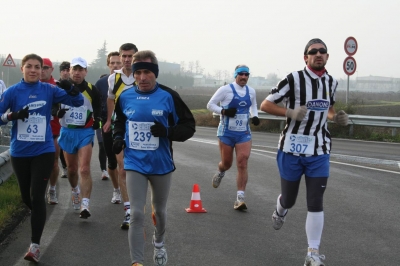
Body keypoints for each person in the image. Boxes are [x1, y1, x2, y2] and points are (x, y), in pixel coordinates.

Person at [260, 38, 349, 266]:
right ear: (305, 57)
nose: (318, 54)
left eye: (322, 51)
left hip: (319, 149)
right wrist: (290, 112)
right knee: (289, 199)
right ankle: (280, 210)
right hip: (291, 148)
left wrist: (335, 117)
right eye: (313, 51)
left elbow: (328, 108)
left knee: (315, 201)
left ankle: (312, 252)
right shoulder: (293, 79)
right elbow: (265, 105)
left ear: (327, 57)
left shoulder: (331, 82)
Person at [113, 50, 195, 266]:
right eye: (138, 72)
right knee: (137, 213)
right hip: (134, 162)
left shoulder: (169, 97)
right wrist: (118, 137)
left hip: (161, 164)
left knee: (158, 210)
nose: (142, 77)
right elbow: (118, 122)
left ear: (155, 73)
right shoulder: (125, 96)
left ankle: (159, 243)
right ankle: (137, 262)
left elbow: (189, 127)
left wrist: (167, 132)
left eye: (147, 72)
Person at [0, 54, 83, 263]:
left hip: (44, 150)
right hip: (19, 152)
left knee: (37, 196)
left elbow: (78, 101)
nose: (34, 70)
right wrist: (11, 116)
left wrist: (70, 87)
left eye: (38, 67)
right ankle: (39, 216)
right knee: (27, 198)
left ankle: (35, 245)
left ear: (43, 70)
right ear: (22, 69)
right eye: (29, 66)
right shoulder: (12, 92)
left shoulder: (50, 90)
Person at [206, 64, 260, 210]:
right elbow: (210, 105)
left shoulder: (251, 91)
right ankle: (221, 171)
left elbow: (253, 105)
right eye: (241, 74)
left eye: (246, 75)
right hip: (226, 133)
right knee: (227, 163)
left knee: (242, 162)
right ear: (235, 75)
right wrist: (223, 111)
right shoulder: (226, 90)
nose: (243, 77)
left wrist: (254, 116)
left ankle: (240, 198)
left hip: (244, 133)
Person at [57, 56, 102, 219]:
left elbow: (99, 107)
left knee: (84, 168)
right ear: (69, 71)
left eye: (80, 70)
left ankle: (85, 204)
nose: (77, 73)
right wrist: (56, 113)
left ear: (85, 72)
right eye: (74, 69)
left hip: (85, 132)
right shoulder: (60, 88)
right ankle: (75, 190)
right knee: (72, 169)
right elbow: (52, 106)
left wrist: (98, 119)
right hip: (67, 131)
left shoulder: (91, 89)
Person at [103, 43, 137, 229]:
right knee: (123, 168)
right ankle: (128, 211)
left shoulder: (142, 75)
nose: (126, 59)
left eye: (130, 56)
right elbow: (110, 98)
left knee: (143, 171)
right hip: (121, 127)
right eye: (124, 56)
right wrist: (109, 119)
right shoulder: (113, 78)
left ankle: (141, 206)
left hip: (140, 127)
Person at [94, 51, 121, 203]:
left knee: (124, 163)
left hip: (124, 126)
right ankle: (116, 189)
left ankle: (126, 195)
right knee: (112, 162)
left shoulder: (130, 81)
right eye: (113, 63)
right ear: (108, 65)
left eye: (118, 63)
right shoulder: (101, 83)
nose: (116, 66)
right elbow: (96, 104)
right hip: (107, 124)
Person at [40, 58, 62, 205]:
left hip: (54, 130)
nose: (42, 70)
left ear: (51, 69)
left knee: (54, 162)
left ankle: (52, 188)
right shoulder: (32, 85)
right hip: (34, 132)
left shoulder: (57, 86)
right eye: (40, 67)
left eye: (46, 67)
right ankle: (37, 192)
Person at [58, 61, 70, 178]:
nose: (66, 73)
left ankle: (69, 166)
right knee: (61, 146)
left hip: (70, 120)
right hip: (58, 119)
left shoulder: (73, 86)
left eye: (67, 70)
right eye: (63, 71)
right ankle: (64, 167)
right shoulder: (56, 85)